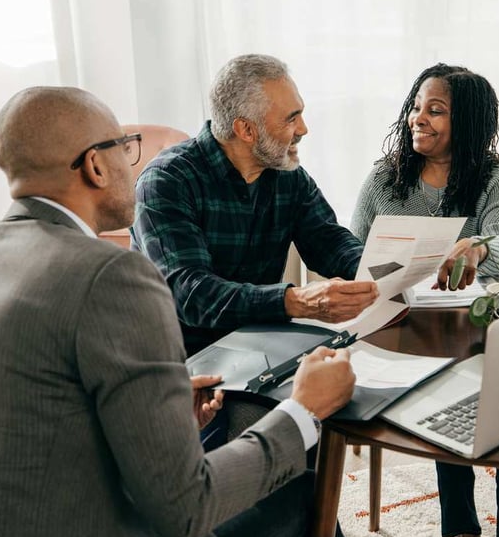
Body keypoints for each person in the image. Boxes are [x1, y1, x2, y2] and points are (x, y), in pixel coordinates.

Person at [0, 86, 362, 537]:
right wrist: (302, 411)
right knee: (304, 492)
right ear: (96, 166)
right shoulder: (111, 275)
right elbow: (187, 507)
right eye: (125, 146)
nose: (132, 161)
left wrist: (156, 409)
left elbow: (33, 417)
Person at [350, 64, 499, 537]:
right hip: (404, 325)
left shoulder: (497, 178)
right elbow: (349, 248)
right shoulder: (385, 178)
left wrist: (477, 244)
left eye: (435, 110)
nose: (418, 120)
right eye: (416, 107)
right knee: (443, 395)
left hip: (479, 324)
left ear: (468, 122)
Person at [130, 54, 379, 356]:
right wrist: (295, 301)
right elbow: (192, 294)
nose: (303, 129)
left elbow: (328, 241)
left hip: (255, 349)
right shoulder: (166, 181)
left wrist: (382, 269)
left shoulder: (288, 175)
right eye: (291, 118)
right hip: (180, 362)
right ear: (246, 130)